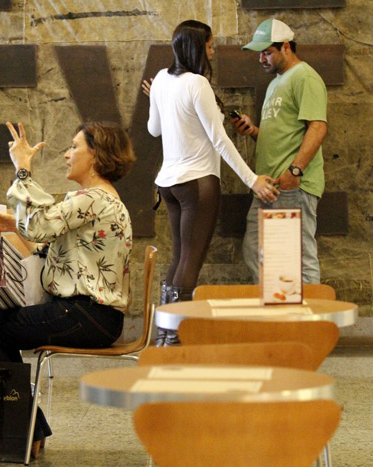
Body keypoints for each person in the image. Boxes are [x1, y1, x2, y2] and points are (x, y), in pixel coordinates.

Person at [0, 121, 135, 459]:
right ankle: (30, 428)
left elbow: (39, 224)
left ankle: (29, 428)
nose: (66, 154)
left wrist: (23, 167)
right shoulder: (99, 200)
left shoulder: (92, 199)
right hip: (93, 315)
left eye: (75, 146)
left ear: (96, 154)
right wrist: (16, 224)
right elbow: (48, 238)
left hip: (87, 314)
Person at [146, 20, 278, 346]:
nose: (213, 49)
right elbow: (220, 141)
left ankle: (164, 337)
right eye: (209, 45)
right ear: (195, 47)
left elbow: (154, 130)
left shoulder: (162, 79)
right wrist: (252, 180)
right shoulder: (197, 84)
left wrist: (158, 99)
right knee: (190, 261)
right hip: (198, 183)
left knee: (179, 257)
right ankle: (174, 341)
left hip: (169, 184)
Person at [232, 19, 327, 284]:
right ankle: (279, 317)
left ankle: (309, 323)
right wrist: (253, 131)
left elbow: (317, 127)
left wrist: (295, 171)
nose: (261, 58)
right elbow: (282, 135)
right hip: (270, 186)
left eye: (267, 52)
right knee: (256, 251)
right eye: (259, 53)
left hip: (293, 185)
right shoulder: (277, 83)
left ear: (286, 46)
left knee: (300, 257)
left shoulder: (305, 76)